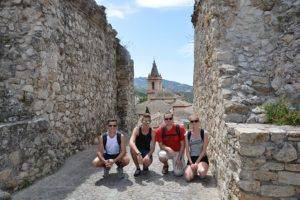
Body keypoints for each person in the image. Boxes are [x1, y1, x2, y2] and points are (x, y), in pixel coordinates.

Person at [184, 114, 209, 181]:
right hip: (192, 158)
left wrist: (197, 163)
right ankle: (194, 170)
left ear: (199, 122)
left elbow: (204, 150)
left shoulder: (204, 133)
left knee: (202, 173)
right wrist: (191, 163)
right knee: (187, 178)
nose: (194, 123)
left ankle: (197, 168)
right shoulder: (187, 134)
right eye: (192, 121)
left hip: (201, 158)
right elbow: (187, 151)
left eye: (196, 121)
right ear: (190, 123)